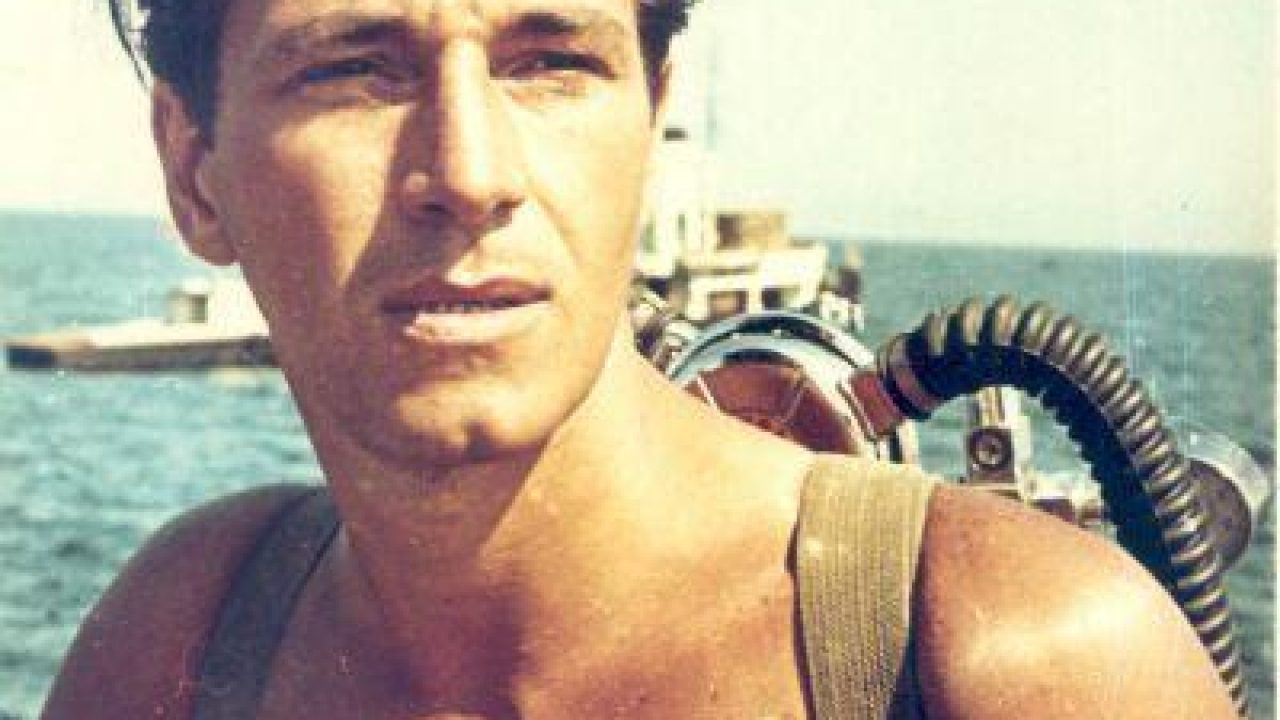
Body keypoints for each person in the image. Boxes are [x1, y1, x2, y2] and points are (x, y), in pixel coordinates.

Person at [43, 0, 1237, 717]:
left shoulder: (1007, 657)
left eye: (549, 61)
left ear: (651, 120)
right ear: (193, 169)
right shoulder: (191, 638)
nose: (468, 172)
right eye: (356, 69)